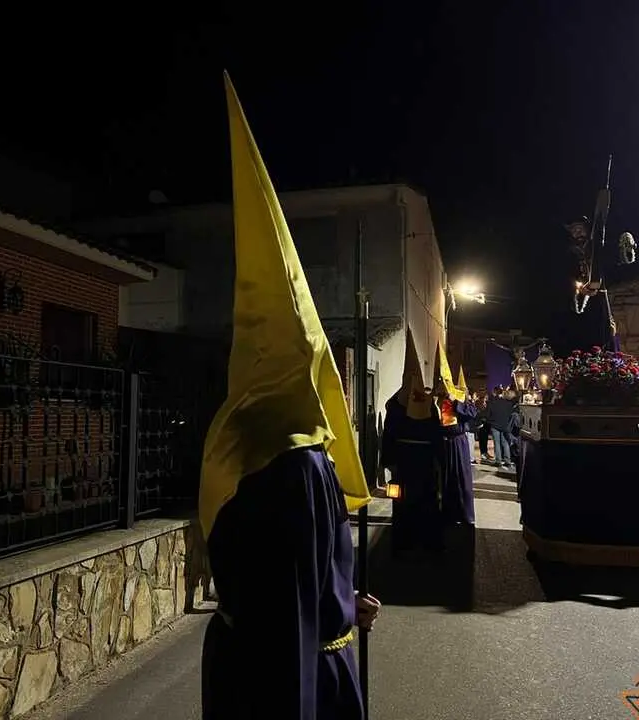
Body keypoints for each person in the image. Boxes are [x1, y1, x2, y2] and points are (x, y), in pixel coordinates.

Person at [200, 74, 380, 720]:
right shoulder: (296, 464)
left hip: (241, 669)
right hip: (297, 685)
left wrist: (342, 601)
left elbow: (285, 586)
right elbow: (290, 628)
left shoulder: (242, 442)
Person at [380, 328, 443, 557]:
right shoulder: (395, 406)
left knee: (424, 500)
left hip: (418, 462)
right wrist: (390, 461)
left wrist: (438, 459)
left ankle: (422, 540)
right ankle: (405, 541)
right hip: (406, 462)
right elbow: (388, 435)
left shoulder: (424, 406)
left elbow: (436, 435)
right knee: (402, 501)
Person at [434, 342, 478, 526]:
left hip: (457, 443)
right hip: (441, 443)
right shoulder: (435, 398)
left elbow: (471, 414)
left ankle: (465, 515)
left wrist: (454, 402)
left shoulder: (459, 399)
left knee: (461, 479)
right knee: (444, 481)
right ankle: (447, 514)